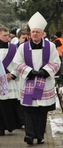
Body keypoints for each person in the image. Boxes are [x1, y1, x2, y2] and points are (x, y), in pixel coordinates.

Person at [13, 12, 61, 145]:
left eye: (37, 32)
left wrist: (45, 71)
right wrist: (30, 71)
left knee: (41, 111)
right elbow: (17, 62)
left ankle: (39, 135)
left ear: (42, 34)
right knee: (29, 110)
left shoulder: (50, 46)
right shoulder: (23, 47)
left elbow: (56, 62)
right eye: (33, 32)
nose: (34, 34)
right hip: (29, 81)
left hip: (44, 82)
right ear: (30, 34)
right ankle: (29, 135)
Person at [0, 26, 21, 136]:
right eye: (4, 35)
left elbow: (17, 62)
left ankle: (10, 125)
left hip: (10, 80)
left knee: (9, 104)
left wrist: (12, 74)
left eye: (8, 35)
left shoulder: (13, 48)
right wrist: (1, 76)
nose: (7, 37)